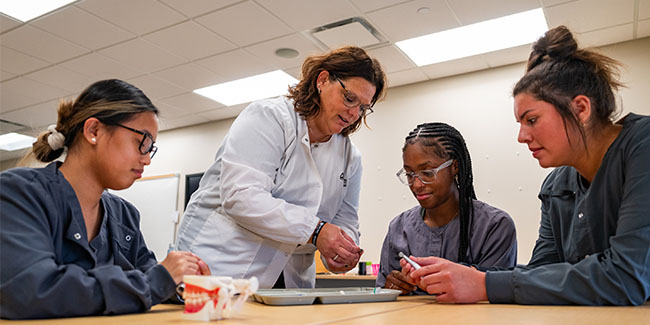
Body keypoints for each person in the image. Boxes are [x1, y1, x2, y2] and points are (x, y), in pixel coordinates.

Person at [401, 26, 650, 305]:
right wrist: (463, 276)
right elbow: (541, 273)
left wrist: (484, 283)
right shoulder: (556, 186)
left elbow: (627, 277)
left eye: (531, 120)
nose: (521, 137)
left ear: (581, 109)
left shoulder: (642, 147)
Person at [175, 46, 387, 288]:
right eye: (350, 99)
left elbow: (345, 219)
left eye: (362, 108)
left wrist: (341, 251)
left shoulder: (350, 157)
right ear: (323, 80)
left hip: (288, 280)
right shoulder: (269, 117)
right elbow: (241, 196)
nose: (354, 113)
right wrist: (316, 231)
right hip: (222, 265)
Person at [0, 79, 210, 319]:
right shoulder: (20, 193)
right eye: (142, 141)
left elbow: (147, 274)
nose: (147, 159)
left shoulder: (124, 214)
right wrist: (159, 280)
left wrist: (181, 283)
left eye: (151, 148)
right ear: (94, 131)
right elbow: (31, 290)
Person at [377, 122, 517, 295]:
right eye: (409, 174)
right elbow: (382, 294)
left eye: (428, 173)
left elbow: (498, 291)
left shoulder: (494, 226)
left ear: (454, 167)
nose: (417, 185)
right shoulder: (399, 228)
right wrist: (393, 288)